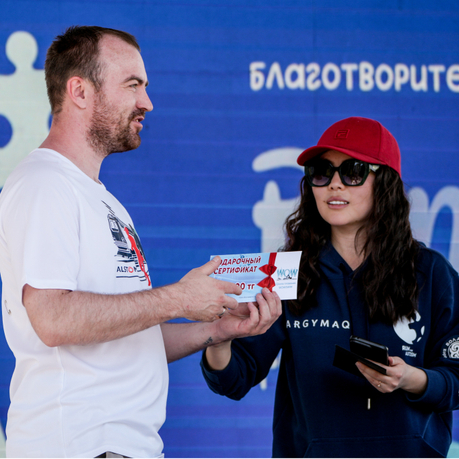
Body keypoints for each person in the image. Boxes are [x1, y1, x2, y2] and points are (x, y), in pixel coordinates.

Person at [0, 26, 282, 458]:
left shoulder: (100, 198)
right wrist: (179, 298)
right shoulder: (45, 183)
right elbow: (53, 319)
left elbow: (127, 338)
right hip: (79, 446)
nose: (147, 102)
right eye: (133, 85)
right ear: (79, 91)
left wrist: (216, 329)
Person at [201, 116, 459, 458]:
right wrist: (219, 338)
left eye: (353, 171)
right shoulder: (286, 272)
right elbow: (233, 379)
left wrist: (411, 378)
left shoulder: (431, 272)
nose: (335, 185)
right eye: (321, 172)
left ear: (385, 182)